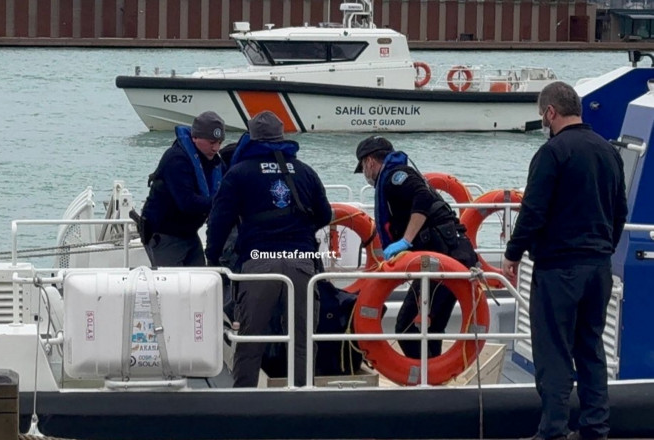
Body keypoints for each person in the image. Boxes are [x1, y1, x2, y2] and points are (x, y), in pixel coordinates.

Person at [502, 81, 628, 440]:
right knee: (591, 349)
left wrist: (513, 253)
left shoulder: (552, 153)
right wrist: (604, 248)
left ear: (550, 112)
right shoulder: (609, 151)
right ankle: (595, 428)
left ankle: (554, 430)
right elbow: (620, 210)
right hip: (598, 266)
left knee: (554, 350)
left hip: (559, 268)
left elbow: (533, 211)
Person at [205, 111, 332, 387]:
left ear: (252, 137)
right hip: (301, 262)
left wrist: (212, 258)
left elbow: (219, 222)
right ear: (281, 135)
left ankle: (245, 400)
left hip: (259, 264)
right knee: (302, 339)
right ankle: (302, 395)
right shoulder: (305, 172)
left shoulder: (239, 173)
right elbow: (325, 215)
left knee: (251, 340)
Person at [355, 135, 478, 359]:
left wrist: (406, 240)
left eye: (362, 167)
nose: (365, 173)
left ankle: (426, 375)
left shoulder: (395, 177)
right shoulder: (397, 177)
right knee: (429, 328)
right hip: (447, 256)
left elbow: (423, 196)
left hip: (446, 258)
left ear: (370, 162)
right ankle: (430, 375)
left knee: (406, 328)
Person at [140, 111, 225, 267]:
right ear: (195, 137)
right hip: (165, 233)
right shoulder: (176, 159)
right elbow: (187, 202)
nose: (216, 148)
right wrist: (223, 202)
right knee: (172, 281)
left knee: (201, 278)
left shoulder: (214, 161)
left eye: (220, 142)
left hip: (189, 233)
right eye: (212, 142)